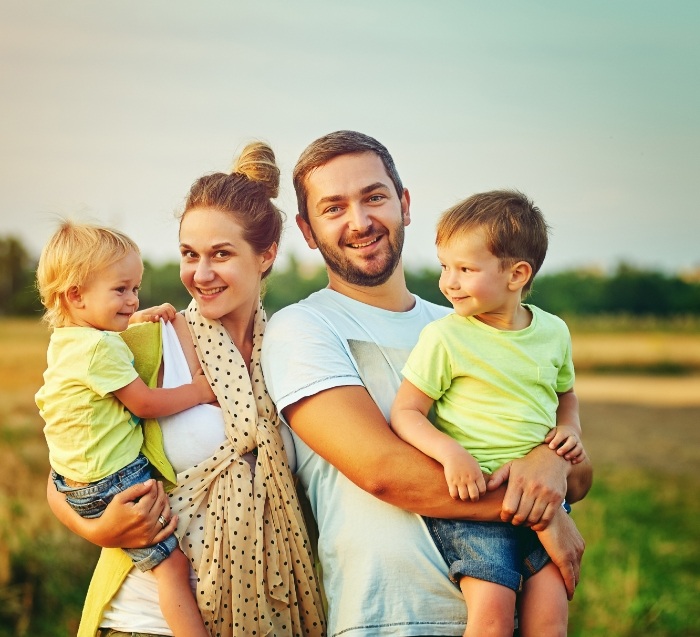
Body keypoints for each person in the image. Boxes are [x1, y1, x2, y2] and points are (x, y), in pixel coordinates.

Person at [260, 130, 592, 637]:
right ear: (307, 230)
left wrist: (550, 460)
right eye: (334, 208)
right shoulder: (302, 328)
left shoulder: (471, 320)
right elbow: (384, 471)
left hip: (513, 611)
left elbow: (580, 475)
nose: (361, 220)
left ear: (405, 204)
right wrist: (544, 511)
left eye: (374, 197)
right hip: (390, 616)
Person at [46, 142, 326, 637]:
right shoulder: (139, 345)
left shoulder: (295, 351)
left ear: (266, 256)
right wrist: (95, 529)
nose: (200, 274)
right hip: (146, 621)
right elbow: (67, 460)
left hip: (272, 615)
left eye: (221, 254)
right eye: (189, 255)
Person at [390, 190, 587, 637]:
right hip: (476, 507)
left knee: (551, 622)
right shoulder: (446, 338)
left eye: (466, 269)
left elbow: (566, 393)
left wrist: (569, 430)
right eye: (445, 266)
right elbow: (406, 412)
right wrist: (451, 454)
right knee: (493, 619)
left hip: (546, 500)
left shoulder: (553, 332)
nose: (448, 282)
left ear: (517, 275)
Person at [36, 221, 215, 637]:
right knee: (172, 569)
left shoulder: (68, 341)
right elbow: (145, 403)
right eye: (121, 291)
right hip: (115, 482)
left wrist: (133, 318)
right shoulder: (100, 348)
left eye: (135, 289)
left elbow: (106, 348)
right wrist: (198, 391)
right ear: (76, 295)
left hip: (73, 482)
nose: (132, 298)